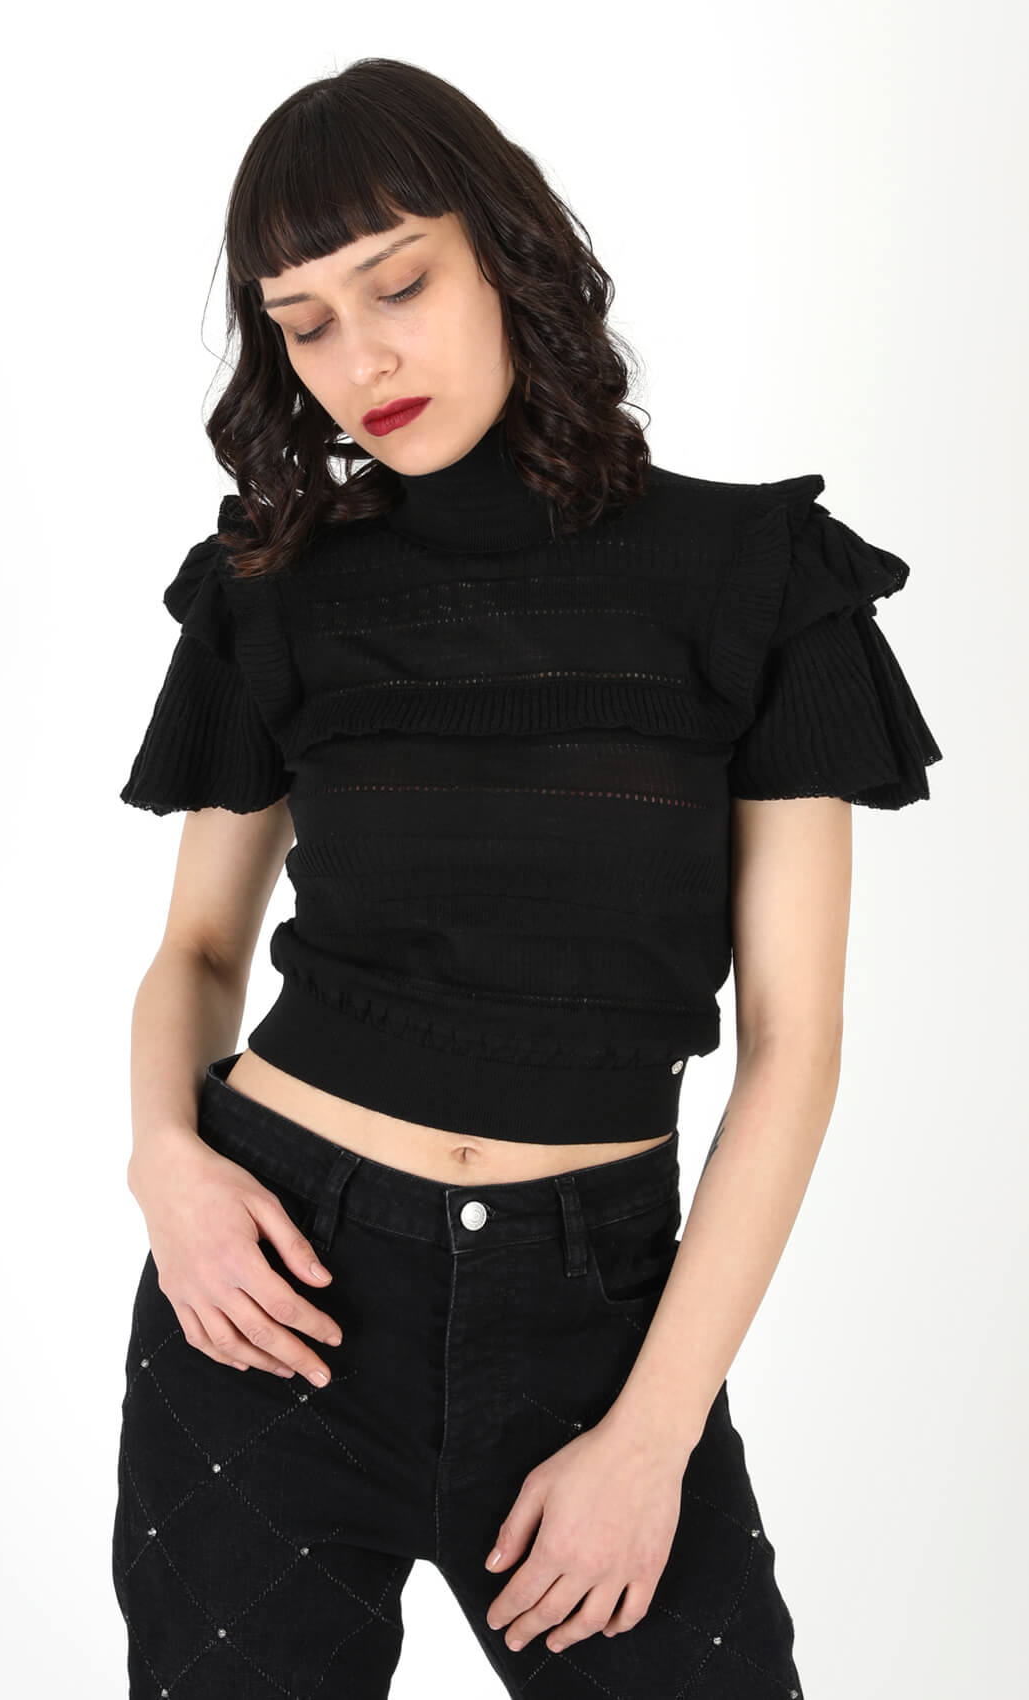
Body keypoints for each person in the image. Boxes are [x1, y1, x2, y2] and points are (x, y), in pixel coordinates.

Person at [110, 57, 942, 1700]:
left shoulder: (753, 579)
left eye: (397, 285)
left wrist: (652, 1434)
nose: (358, 362)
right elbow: (198, 952)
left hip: (599, 1318)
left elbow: (793, 1044)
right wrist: (165, 1164)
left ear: (506, 251)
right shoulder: (273, 592)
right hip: (270, 1290)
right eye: (302, 324)